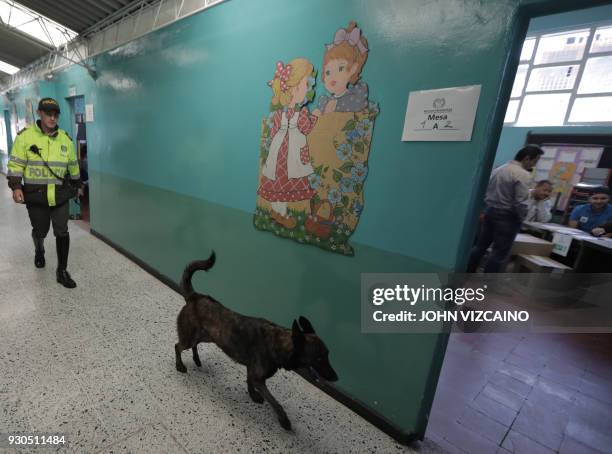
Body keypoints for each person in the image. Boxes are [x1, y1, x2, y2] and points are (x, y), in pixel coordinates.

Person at [7, 97, 81, 288]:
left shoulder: (65, 139)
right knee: (40, 231)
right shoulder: (25, 137)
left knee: (62, 231)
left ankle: (62, 270)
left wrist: (77, 185)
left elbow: (73, 165)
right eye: (48, 113)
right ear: (39, 113)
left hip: (60, 196)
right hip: (36, 196)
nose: (52, 117)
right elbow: (15, 164)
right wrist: (16, 187)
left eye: (56, 114)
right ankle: (39, 250)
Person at [257, 58, 318, 229]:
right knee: (282, 181)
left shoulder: (280, 114)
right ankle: (281, 214)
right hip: (287, 153)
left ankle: (278, 212)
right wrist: (314, 115)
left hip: (280, 151)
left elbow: (276, 129)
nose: (307, 89)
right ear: (296, 88)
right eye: (306, 84)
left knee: (279, 181)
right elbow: (306, 127)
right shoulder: (300, 113)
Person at [467, 145, 544, 273]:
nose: (534, 165)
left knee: (480, 246)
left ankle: (466, 272)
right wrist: (522, 217)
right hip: (508, 216)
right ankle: (487, 284)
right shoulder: (523, 174)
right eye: (535, 161)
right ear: (527, 158)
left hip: (490, 212)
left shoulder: (499, 169)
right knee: (499, 253)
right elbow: (520, 202)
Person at [312, 22, 369, 116]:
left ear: (353, 68)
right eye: (328, 72)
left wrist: (337, 105)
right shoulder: (324, 101)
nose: (332, 76)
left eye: (340, 68)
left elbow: (359, 105)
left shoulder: (357, 93)